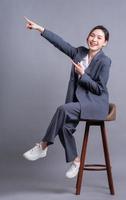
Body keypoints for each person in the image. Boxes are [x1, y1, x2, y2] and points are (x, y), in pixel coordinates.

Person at [23, 17, 111, 179]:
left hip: (96, 104)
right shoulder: (79, 52)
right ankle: (76, 161)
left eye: (99, 37)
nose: (94, 39)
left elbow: (99, 89)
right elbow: (60, 43)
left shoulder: (105, 61)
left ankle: (43, 145)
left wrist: (83, 75)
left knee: (62, 110)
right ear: (87, 38)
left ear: (105, 43)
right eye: (92, 35)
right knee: (64, 128)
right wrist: (39, 28)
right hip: (78, 102)